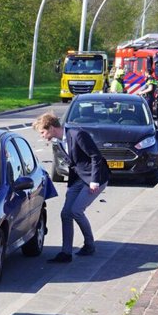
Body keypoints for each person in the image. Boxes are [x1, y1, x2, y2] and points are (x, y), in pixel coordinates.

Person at [35, 110, 109, 262]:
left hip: (96, 178)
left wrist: (94, 181)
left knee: (76, 211)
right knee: (65, 213)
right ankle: (66, 253)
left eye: (42, 132)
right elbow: (74, 164)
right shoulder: (58, 141)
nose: (42, 136)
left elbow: (96, 156)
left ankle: (89, 245)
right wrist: (70, 187)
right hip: (78, 179)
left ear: (51, 128)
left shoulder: (77, 134)